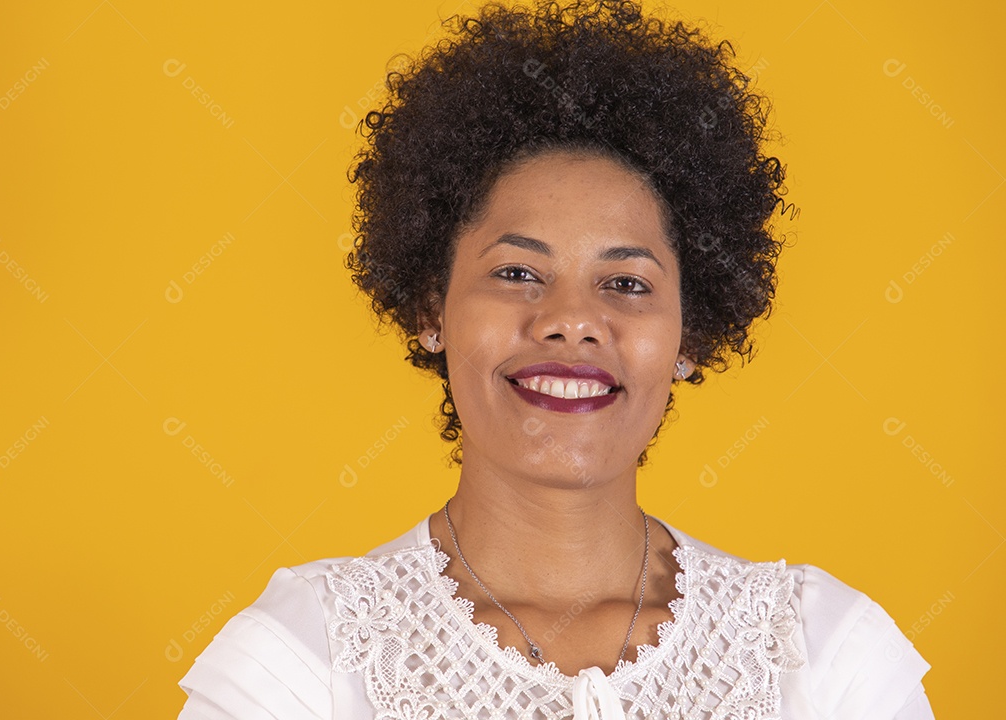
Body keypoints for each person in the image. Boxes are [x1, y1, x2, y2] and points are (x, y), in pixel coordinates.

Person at [175, 1, 934, 717]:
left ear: (690, 336)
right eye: (517, 273)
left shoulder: (825, 653)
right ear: (428, 309)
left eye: (626, 283)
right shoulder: (301, 661)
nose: (572, 322)